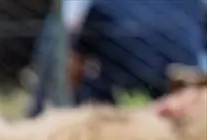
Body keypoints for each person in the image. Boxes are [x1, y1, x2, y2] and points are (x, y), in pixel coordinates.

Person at [69, 0, 205, 104]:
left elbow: (75, 66)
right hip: (182, 98)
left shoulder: (102, 5)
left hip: (120, 102)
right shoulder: (193, 4)